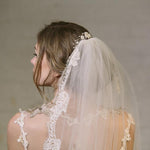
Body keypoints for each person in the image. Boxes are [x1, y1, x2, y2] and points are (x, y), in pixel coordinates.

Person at [7, 21, 141, 150]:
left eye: (36, 54)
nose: (32, 61)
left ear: (57, 65)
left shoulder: (22, 126)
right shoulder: (123, 123)